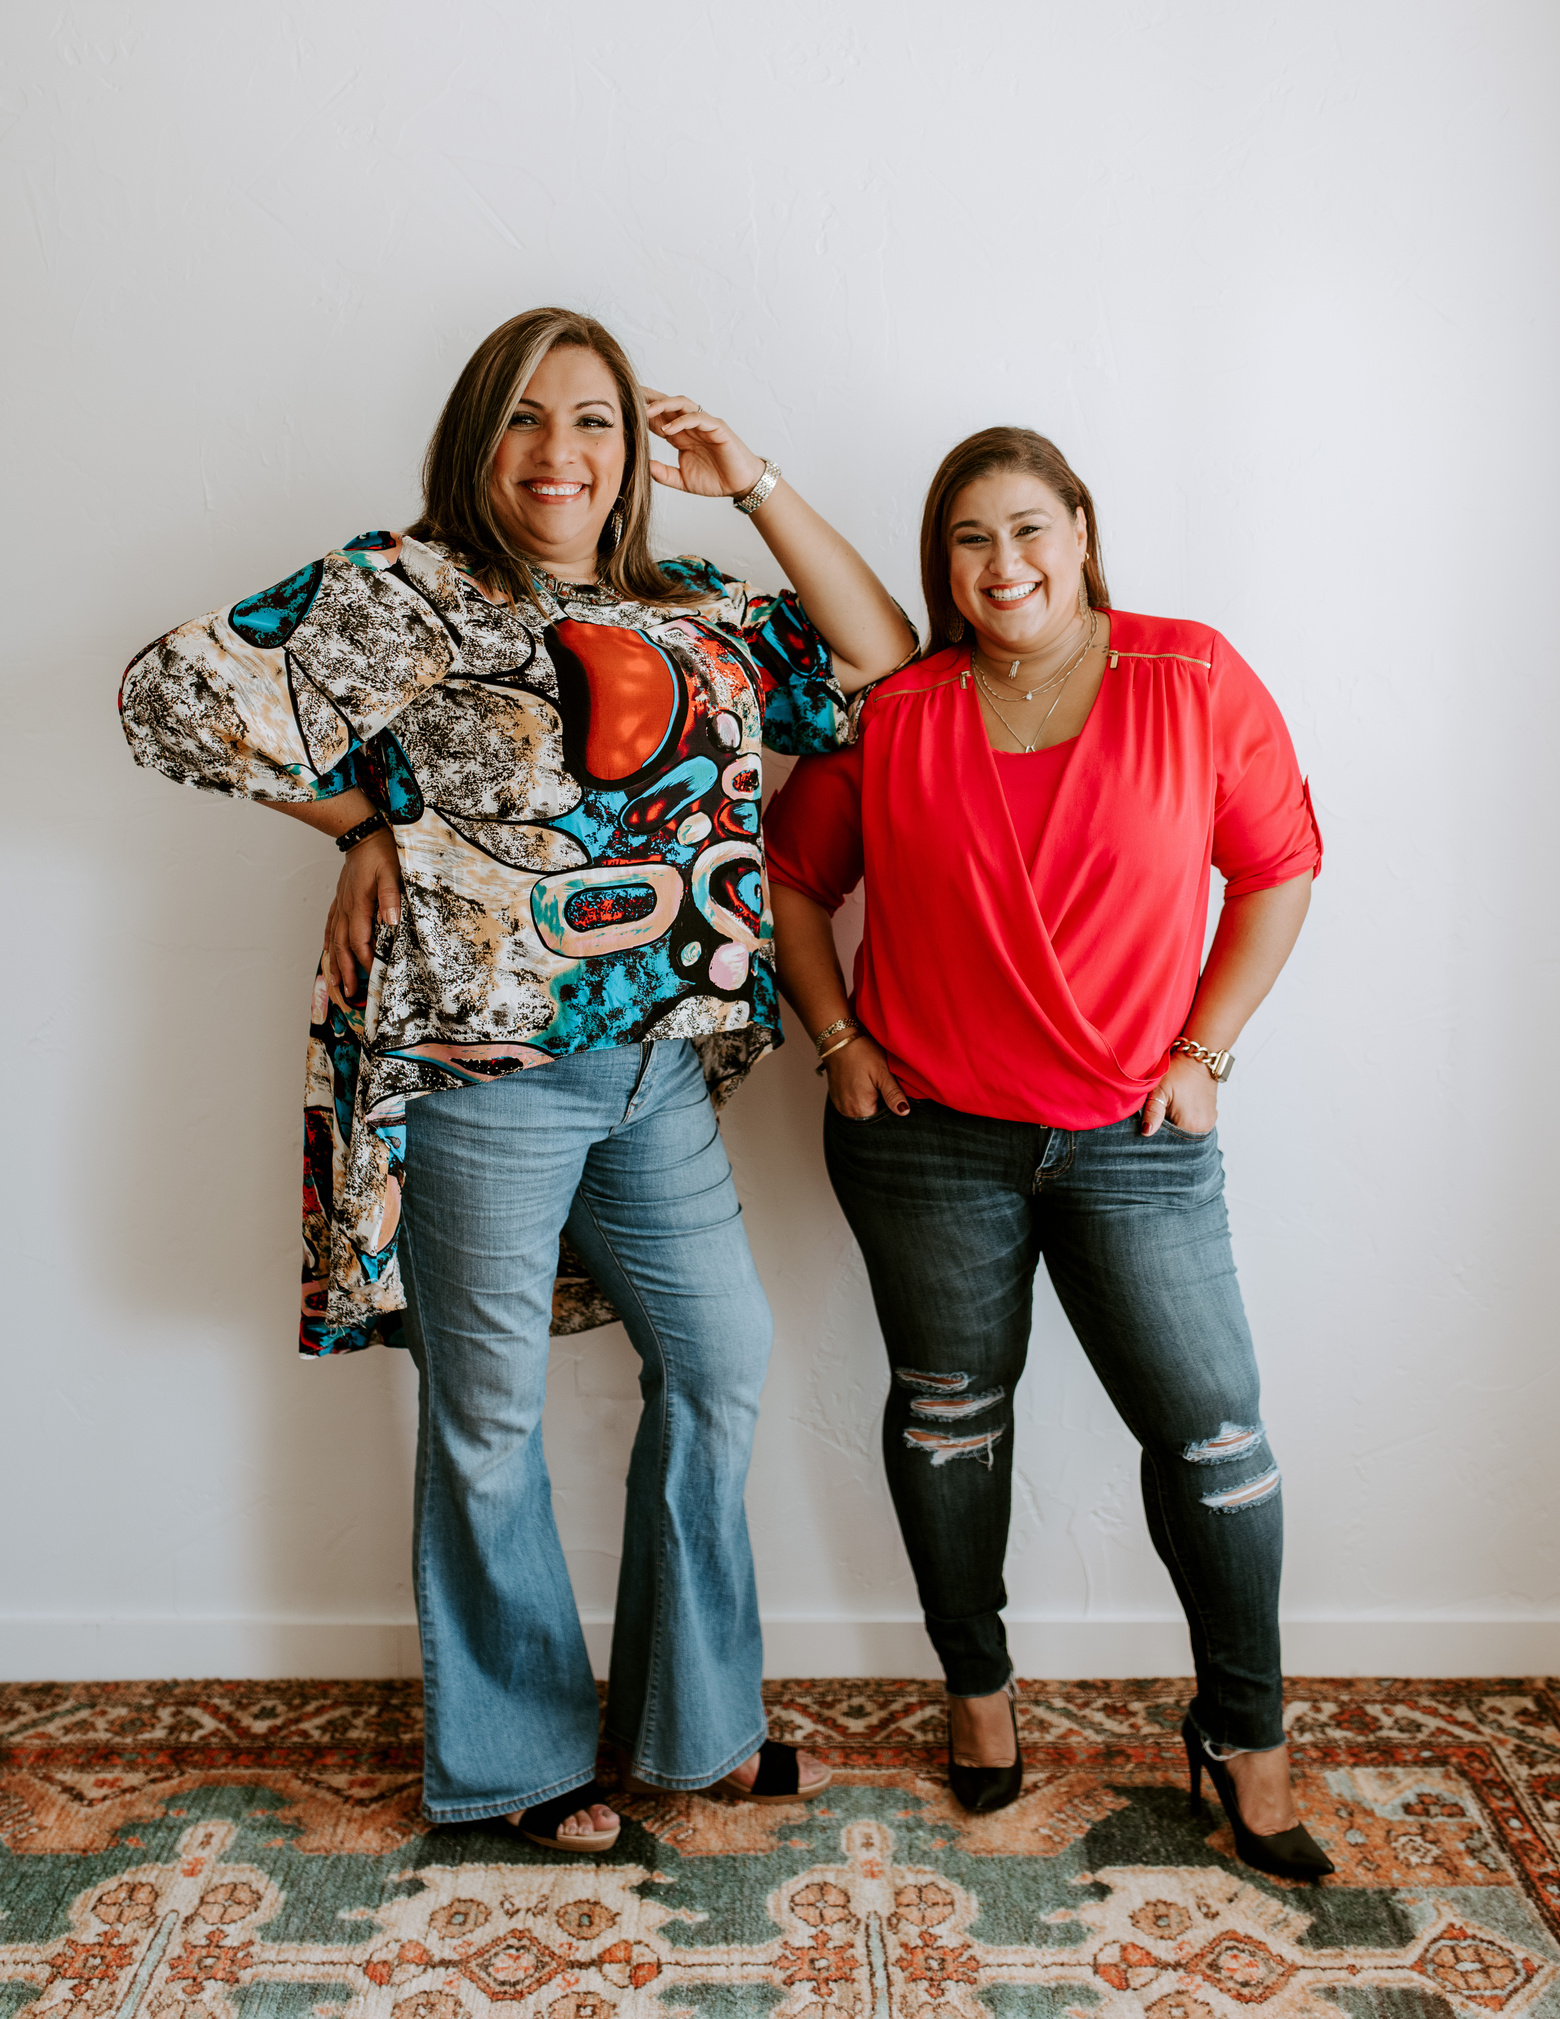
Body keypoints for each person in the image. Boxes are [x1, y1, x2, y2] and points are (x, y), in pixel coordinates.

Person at [119, 307, 915, 1854]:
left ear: (635, 450)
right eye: (528, 419)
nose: (563, 452)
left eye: (596, 419)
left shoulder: (696, 606)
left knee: (721, 1361)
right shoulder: (408, 588)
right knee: (488, 1417)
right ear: (477, 438)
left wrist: (754, 482)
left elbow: (878, 669)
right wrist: (364, 826)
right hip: (483, 1074)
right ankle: (516, 1763)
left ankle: (695, 1726)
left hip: (658, 1071)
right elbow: (173, 699)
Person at [764, 426, 1332, 1880]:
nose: (1003, 562)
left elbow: (1277, 867)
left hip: (1136, 1136)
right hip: (926, 1143)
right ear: (941, 566)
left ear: (1080, 530)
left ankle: (1247, 1734)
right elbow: (790, 876)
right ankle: (978, 1690)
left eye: (1029, 527)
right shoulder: (900, 709)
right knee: (950, 1416)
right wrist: (835, 1038)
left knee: (1216, 1441)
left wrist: (1206, 1052)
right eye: (970, 538)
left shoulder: (1187, 676)